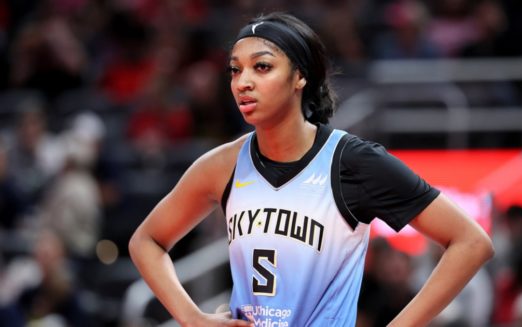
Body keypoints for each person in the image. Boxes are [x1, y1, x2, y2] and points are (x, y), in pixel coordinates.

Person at [129, 12, 494, 327]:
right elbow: (146, 240)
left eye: (262, 67)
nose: (243, 82)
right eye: (235, 70)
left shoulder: (351, 161)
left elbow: (471, 242)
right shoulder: (222, 164)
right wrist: (191, 317)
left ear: (299, 76)